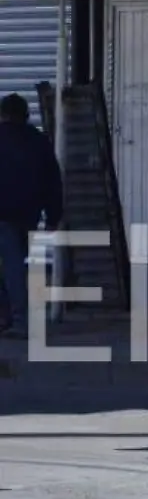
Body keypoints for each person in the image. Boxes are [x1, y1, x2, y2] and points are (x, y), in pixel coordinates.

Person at [0, 93, 64, 338]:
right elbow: (52, 181)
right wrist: (53, 215)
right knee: (14, 266)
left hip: (3, 213)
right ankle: (9, 316)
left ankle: (18, 319)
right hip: (28, 214)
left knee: (11, 269)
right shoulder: (39, 141)